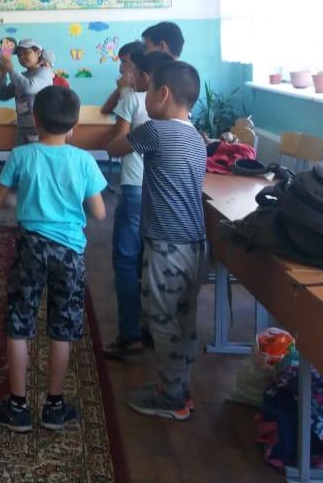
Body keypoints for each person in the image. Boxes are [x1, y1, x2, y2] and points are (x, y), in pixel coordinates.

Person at [0, 86, 107, 432]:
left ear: (35, 120)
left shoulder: (21, 155)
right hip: (70, 252)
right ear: (75, 126)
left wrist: (19, 201)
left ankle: (17, 406)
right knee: (62, 327)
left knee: (19, 323)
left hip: (31, 248)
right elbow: (99, 212)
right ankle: (54, 406)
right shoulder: (84, 161)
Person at [108, 60, 206, 421]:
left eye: (147, 90)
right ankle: (179, 387)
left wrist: (125, 98)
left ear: (162, 94)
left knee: (161, 319)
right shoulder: (197, 138)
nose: (144, 96)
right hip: (195, 244)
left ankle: (171, 398)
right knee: (183, 319)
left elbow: (115, 148)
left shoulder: (155, 130)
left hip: (166, 245)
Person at [100, 42, 152, 359]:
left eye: (127, 65)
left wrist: (117, 142)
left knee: (126, 261)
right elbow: (106, 108)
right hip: (157, 190)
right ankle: (151, 328)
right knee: (149, 261)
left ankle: (130, 334)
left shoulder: (134, 99)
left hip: (134, 186)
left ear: (141, 72)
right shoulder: (171, 103)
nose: (122, 69)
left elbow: (116, 143)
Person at [0, 39, 52, 145]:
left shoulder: (45, 72)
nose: (22, 57)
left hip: (39, 128)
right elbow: (3, 95)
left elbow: (28, 87)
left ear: (38, 53)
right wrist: (1, 77)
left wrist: (11, 70)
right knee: (21, 155)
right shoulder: (22, 76)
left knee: (34, 155)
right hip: (22, 126)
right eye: (19, 55)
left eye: (26, 53)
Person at [100, 41, 145, 116]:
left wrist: (124, 90)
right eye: (121, 62)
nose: (120, 66)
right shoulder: (127, 85)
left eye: (124, 62)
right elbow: (106, 110)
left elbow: (130, 116)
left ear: (139, 65)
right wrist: (121, 88)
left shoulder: (147, 90)